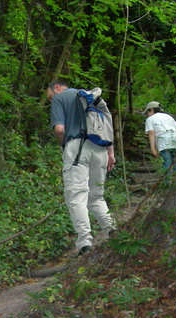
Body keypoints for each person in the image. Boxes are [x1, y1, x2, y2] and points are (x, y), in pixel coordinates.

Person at [46, 80, 116, 256]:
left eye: (49, 96)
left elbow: (60, 129)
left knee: (76, 195)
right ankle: (112, 230)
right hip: (100, 148)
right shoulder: (91, 96)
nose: (50, 99)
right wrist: (111, 153)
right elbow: (107, 126)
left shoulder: (59, 98)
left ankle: (85, 242)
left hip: (77, 147)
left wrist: (64, 147)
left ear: (56, 87)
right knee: (96, 196)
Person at [143, 101, 176, 173]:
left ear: (151, 110)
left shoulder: (150, 119)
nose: (147, 115)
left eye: (147, 112)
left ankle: (168, 183)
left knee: (167, 163)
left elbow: (151, 132)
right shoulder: (168, 116)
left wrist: (153, 149)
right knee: (175, 162)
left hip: (164, 141)